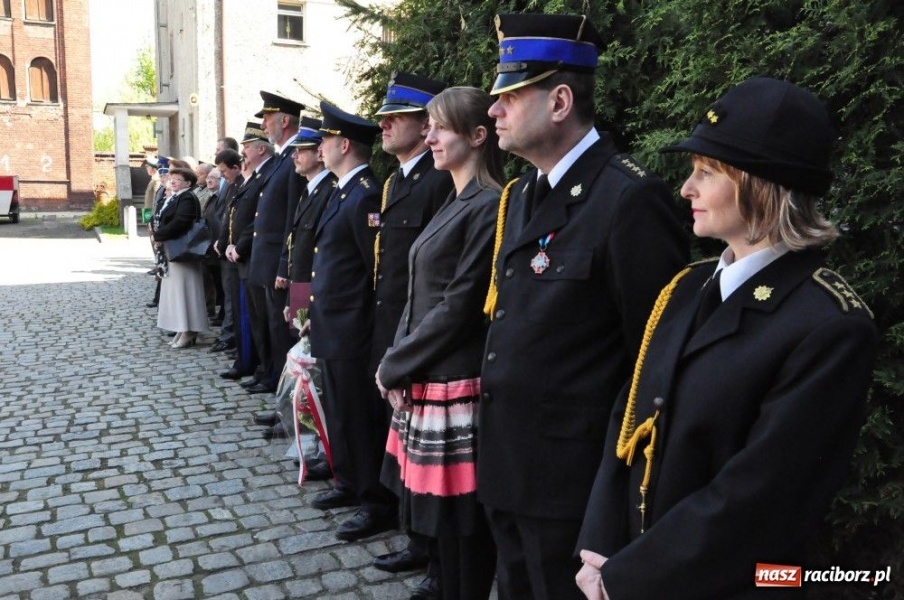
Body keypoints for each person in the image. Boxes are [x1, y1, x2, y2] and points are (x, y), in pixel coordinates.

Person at [575, 77, 879, 600]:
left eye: (706, 173)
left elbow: (761, 496)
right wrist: (598, 551)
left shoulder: (829, 324)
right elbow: (626, 422)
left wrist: (630, 577)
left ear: (762, 185)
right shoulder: (687, 286)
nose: (686, 189)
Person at [476, 13, 689, 600]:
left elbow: (654, 365)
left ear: (560, 100)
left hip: (571, 490)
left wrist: (616, 501)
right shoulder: (521, 194)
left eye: (508, 96)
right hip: (507, 466)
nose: (492, 111)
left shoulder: (628, 199)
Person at [377, 86, 502, 600]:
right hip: (429, 375)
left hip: (456, 382)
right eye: (427, 126)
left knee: (461, 530)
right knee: (441, 529)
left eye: (439, 127)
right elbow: (417, 289)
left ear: (477, 136)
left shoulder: (490, 203)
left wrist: (394, 365)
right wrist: (398, 364)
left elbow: (460, 304)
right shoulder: (453, 198)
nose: (428, 136)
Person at [370, 71, 454, 590]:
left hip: (423, 332)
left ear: (425, 125)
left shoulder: (440, 180)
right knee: (402, 442)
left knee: (425, 449)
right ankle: (412, 535)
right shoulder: (395, 180)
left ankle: (427, 546)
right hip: (392, 322)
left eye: (394, 117)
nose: (384, 125)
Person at [305, 101, 392, 542]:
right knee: (341, 414)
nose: (319, 145)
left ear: (343, 144)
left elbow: (373, 272)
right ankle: (348, 481)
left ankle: (374, 501)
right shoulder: (342, 191)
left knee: (360, 419)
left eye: (324, 139)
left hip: (352, 331)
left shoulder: (365, 196)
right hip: (331, 324)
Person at [246, 91, 306, 399]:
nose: (264, 125)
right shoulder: (283, 158)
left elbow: (293, 219)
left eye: (267, 118)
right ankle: (275, 384)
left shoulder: (296, 157)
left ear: (285, 120)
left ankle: (286, 398)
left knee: (283, 333)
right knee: (273, 329)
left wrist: (284, 263)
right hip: (268, 260)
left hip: (278, 263)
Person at [220, 123, 278, 382]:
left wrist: (239, 246)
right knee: (251, 319)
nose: (242, 153)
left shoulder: (264, 176)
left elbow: (260, 219)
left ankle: (261, 368)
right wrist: (226, 243)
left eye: (246, 147)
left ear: (261, 148)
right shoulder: (253, 177)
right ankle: (252, 364)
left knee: (257, 320)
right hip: (239, 257)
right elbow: (233, 215)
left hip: (252, 256)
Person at [151, 166, 209, 348]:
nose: (173, 181)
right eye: (172, 178)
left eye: (178, 179)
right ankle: (181, 328)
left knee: (186, 291)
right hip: (172, 250)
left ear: (188, 183)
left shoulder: (187, 197)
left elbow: (182, 221)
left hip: (183, 251)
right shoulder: (175, 196)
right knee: (176, 291)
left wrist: (159, 235)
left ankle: (189, 329)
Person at [211, 148, 243, 355]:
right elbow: (225, 218)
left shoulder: (241, 185)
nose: (222, 175)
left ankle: (231, 336)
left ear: (236, 168)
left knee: (233, 299)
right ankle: (230, 335)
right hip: (225, 248)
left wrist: (228, 243)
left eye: (224, 171)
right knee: (229, 296)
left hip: (236, 251)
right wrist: (220, 241)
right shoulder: (231, 186)